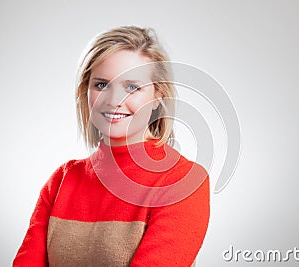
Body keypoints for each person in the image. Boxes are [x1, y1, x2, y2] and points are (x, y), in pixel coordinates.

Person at [13, 25, 210, 267]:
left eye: (132, 87)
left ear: (159, 96)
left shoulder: (183, 181)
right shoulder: (62, 180)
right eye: (101, 84)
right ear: (86, 91)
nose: (114, 100)